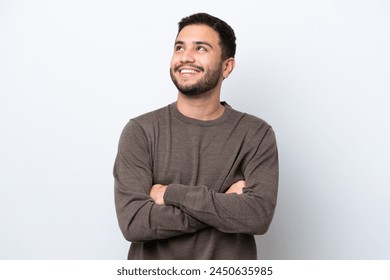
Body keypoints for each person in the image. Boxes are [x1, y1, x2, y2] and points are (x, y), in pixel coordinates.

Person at [113, 12, 278, 260]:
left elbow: (257, 216)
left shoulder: (255, 134)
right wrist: (224, 203)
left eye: (200, 48)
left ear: (227, 66)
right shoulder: (141, 131)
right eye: (179, 47)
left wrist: (170, 194)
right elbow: (134, 222)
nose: (186, 57)